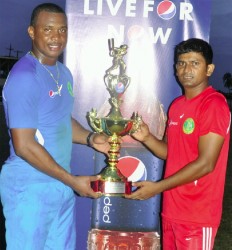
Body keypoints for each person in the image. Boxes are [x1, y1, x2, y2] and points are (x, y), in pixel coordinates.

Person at [0, 3, 109, 250]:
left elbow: (60, 119)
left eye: (62, 30)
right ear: (32, 32)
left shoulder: (63, 72)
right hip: (29, 187)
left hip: (59, 184)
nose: (56, 37)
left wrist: (91, 138)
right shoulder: (24, 76)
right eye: (48, 29)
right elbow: (24, 145)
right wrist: (72, 181)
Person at [125, 38, 231, 249]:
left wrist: (157, 188)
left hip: (197, 214)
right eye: (181, 63)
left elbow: (206, 163)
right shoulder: (177, 106)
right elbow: (169, 153)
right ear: (175, 69)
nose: (186, 69)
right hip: (172, 210)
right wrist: (147, 138)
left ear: (209, 69)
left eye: (195, 63)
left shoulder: (214, 104)